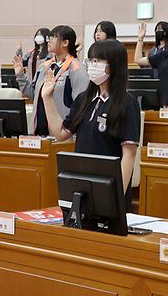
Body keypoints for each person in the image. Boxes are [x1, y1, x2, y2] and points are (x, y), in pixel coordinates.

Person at [41, 39, 142, 207]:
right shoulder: (84, 99)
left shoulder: (128, 104)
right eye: (90, 60)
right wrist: (47, 98)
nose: (92, 65)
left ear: (114, 65)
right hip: (82, 185)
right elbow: (60, 133)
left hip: (109, 188)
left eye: (98, 61)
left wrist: (116, 198)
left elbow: (129, 156)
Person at [30, 25, 88, 136]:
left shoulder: (76, 68)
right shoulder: (44, 66)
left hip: (63, 135)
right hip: (39, 133)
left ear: (65, 43)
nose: (49, 40)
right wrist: (20, 76)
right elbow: (33, 95)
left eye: (53, 37)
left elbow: (81, 105)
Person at [16, 27, 52, 96]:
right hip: (30, 85)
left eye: (40, 35)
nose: (38, 37)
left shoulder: (51, 54)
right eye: (37, 35)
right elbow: (21, 63)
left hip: (44, 85)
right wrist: (19, 51)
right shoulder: (31, 53)